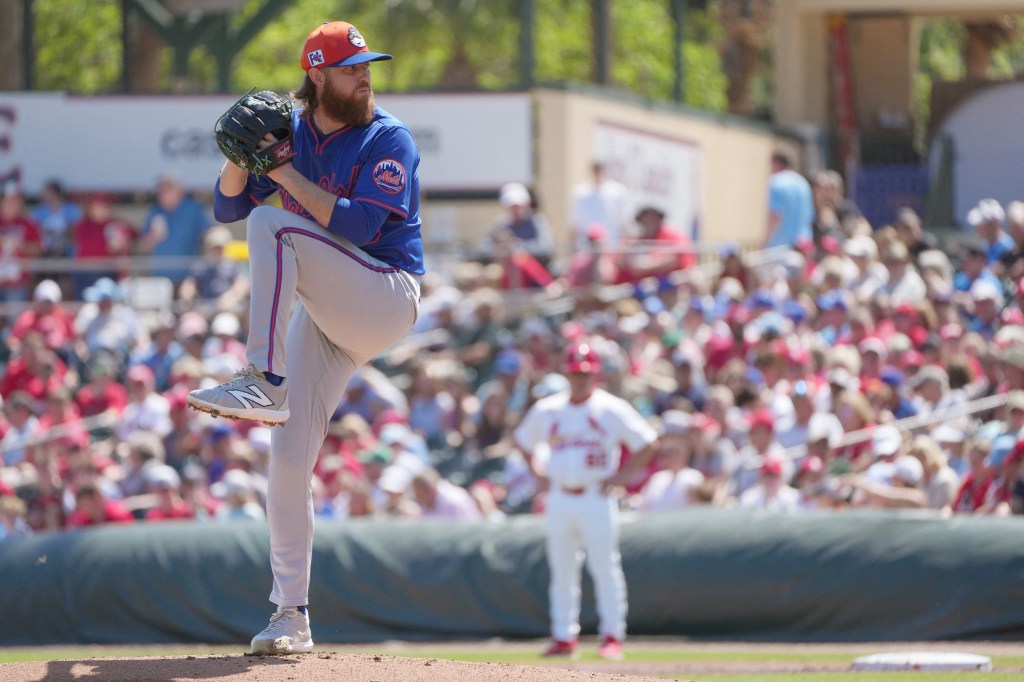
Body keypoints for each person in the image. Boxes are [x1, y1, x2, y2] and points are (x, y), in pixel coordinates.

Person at [186, 20, 423, 656]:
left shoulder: (386, 136)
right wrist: (240, 158)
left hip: (383, 293)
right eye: (351, 68)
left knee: (276, 225)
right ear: (316, 74)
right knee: (287, 464)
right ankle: (291, 614)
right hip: (326, 320)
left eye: (367, 66)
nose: (365, 76)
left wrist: (283, 176)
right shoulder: (291, 132)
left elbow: (361, 225)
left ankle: (263, 379)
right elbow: (227, 209)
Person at [513, 340, 658, 661]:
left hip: (596, 494)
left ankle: (612, 635)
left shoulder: (610, 407)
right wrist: (536, 471)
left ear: (595, 374)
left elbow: (647, 442)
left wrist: (623, 476)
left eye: (586, 372)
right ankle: (564, 635)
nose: (580, 378)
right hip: (560, 495)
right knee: (562, 569)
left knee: (605, 567)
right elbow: (523, 439)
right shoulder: (549, 408)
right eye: (576, 372)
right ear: (566, 373)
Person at [139, 172, 212, 287]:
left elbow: (209, 235)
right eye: (161, 191)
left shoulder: (193, 209)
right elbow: (143, 247)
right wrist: (152, 236)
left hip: (189, 278)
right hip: (160, 278)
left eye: (168, 189)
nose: (163, 194)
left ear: (179, 191)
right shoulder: (155, 212)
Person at [568, 161, 634, 251]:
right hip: (585, 250)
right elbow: (574, 225)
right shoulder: (579, 193)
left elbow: (625, 224)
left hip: (611, 249)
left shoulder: (618, 192)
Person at [765, 152, 813, 249]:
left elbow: (776, 216)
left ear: (776, 163)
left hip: (780, 247)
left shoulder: (776, 181)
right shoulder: (803, 183)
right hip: (804, 245)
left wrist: (765, 241)